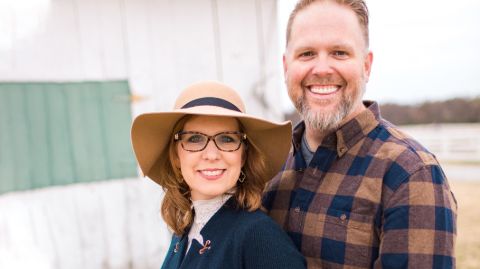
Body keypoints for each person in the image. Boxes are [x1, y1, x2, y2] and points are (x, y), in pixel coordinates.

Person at [262, 0, 457, 268]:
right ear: (286, 66)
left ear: (366, 65)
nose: (321, 69)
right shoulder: (267, 167)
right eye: (306, 53)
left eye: (339, 52)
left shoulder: (410, 174)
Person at [131, 81, 306, 269]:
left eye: (227, 139)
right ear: (176, 156)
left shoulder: (259, 236)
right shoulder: (185, 230)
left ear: (243, 156)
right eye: (195, 139)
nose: (212, 155)